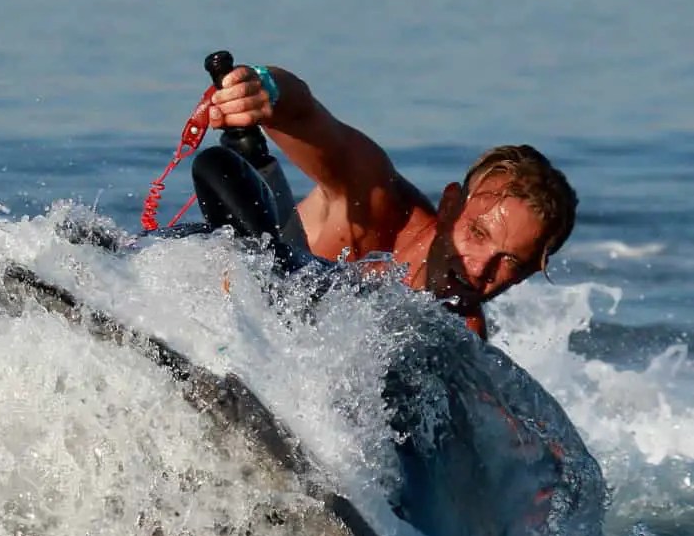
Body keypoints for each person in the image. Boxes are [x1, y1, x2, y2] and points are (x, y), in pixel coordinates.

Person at [200, 64, 578, 339]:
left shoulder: (462, 335)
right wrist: (264, 89)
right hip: (226, 282)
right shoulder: (374, 201)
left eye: (509, 261)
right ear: (449, 206)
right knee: (228, 177)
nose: (480, 269)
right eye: (477, 232)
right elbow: (306, 115)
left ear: (528, 274)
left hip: (282, 354)